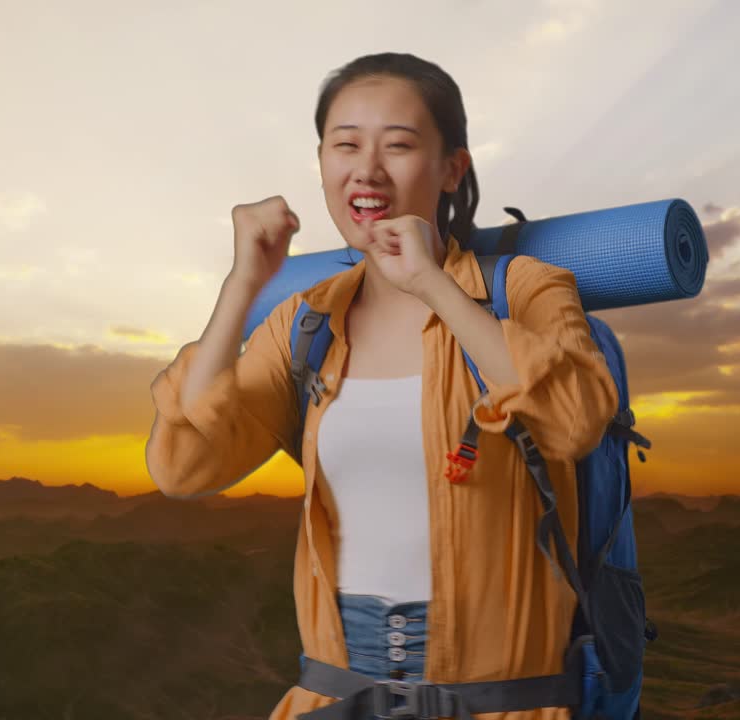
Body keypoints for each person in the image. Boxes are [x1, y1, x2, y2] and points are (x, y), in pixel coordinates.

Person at [145, 52, 619, 720]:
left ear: (453, 166)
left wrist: (433, 284)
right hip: (335, 693)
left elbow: (575, 419)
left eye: (398, 145)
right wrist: (241, 285)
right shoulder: (305, 322)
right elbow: (185, 465)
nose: (366, 169)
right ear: (322, 164)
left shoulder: (525, 290)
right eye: (345, 145)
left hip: (501, 698)